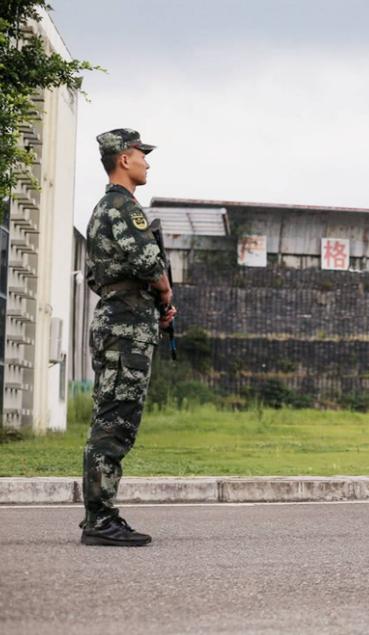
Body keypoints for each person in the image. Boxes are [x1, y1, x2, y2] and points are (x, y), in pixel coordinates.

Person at [81, 128, 175, 546]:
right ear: (124, 159)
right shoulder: (123, 206)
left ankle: (98, 515)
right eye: (141, 154)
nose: (146, 162)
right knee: (116, 420)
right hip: (125, 325)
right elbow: (148, 262)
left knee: (110, 415)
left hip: (117, 318)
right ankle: (100, 519)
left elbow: (95, 276)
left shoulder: (103, 210)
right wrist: (165, 292)